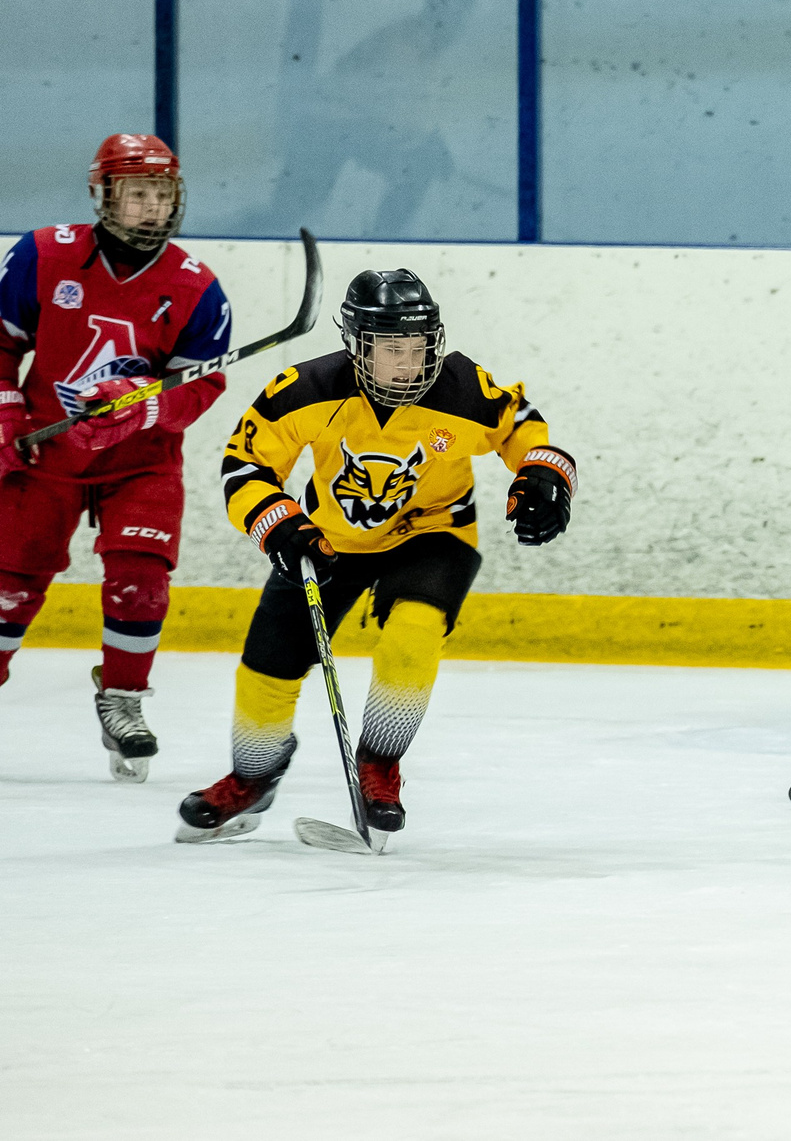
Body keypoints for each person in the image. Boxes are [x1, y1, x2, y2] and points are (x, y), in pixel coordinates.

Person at [175, 270, 576, 843]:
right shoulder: (305, 390)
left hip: (434, 532)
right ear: (358, 346)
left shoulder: (463, 387)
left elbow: (527, 430)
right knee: (268, 665)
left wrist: (543, 475)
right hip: (327, 539)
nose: (410, 364)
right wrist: (279, 524)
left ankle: (380, 767)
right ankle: (253, 776)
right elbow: (247, 465)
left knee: (413, 634)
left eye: (418, 348)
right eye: (393, 351)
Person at [0, 135, 234, 780]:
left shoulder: (195, 287)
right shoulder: (43, 255)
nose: (152, 208)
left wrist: (144, 404)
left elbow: (201, 381)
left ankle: (124, 698)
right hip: (44, 449)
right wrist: (6, 417)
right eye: (137, 194)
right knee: (8, 589)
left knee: (142, 576)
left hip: (141, 459)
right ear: (104, 195)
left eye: (162, 195)